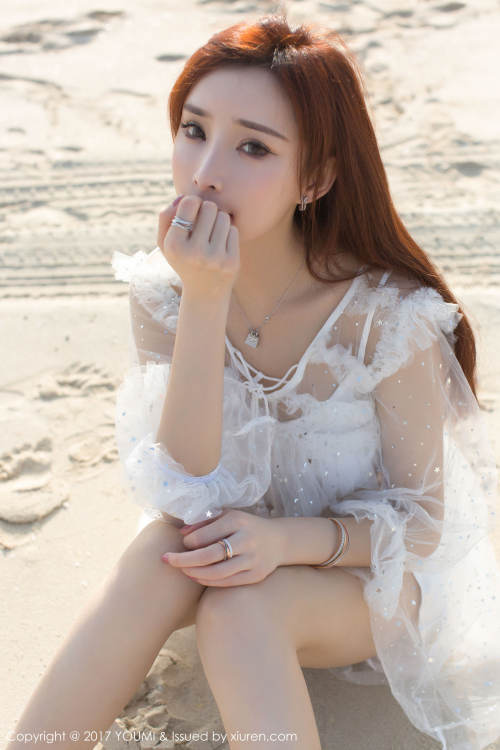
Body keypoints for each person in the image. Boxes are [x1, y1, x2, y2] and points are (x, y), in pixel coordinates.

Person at [7, 13, 500, 750]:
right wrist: (205, 298)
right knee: (155, 559)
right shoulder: (165, 292)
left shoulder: (387, 319)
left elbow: (427, 525)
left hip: (369, 573)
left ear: (316, 178)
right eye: (194, 130)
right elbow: (184, 492)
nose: (206, 171)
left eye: (253, 147)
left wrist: (285, 541)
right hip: (234, 544)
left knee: (242, 611)